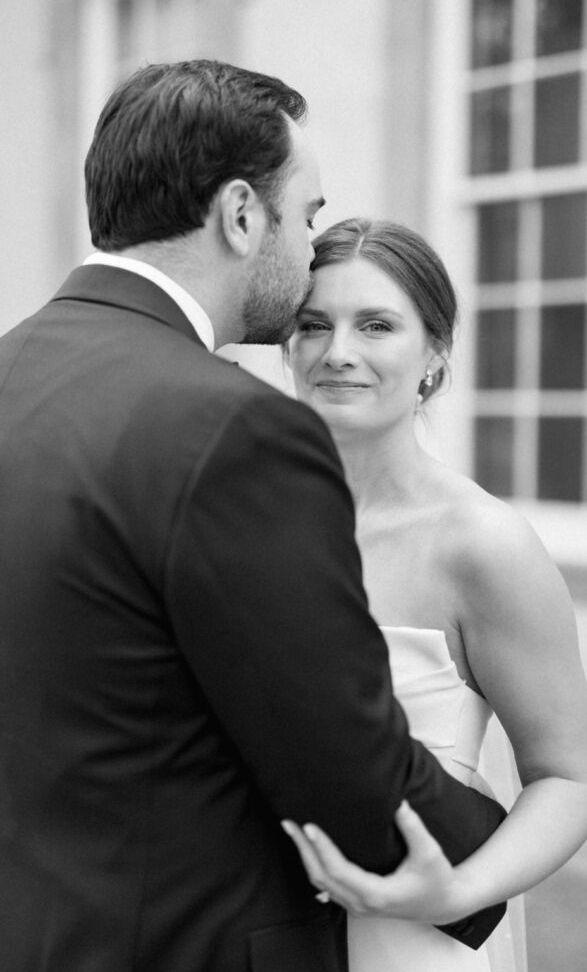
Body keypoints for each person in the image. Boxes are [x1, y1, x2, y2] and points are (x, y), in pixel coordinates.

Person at [0, 62, 509, 972]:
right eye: (306, 214)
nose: (311, 246)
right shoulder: (231, 427)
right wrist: (493, 866)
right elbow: (335, 755)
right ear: (241, 214)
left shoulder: (13, 373)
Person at [283, 217, 587, 972]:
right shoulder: (240, 520)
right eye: (313, 325)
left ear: (433, 353)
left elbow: (568, 777)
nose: (339, 353)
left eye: (376, 325)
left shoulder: (481, 544)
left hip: (409, 934)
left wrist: (457, 892)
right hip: (251, 917)